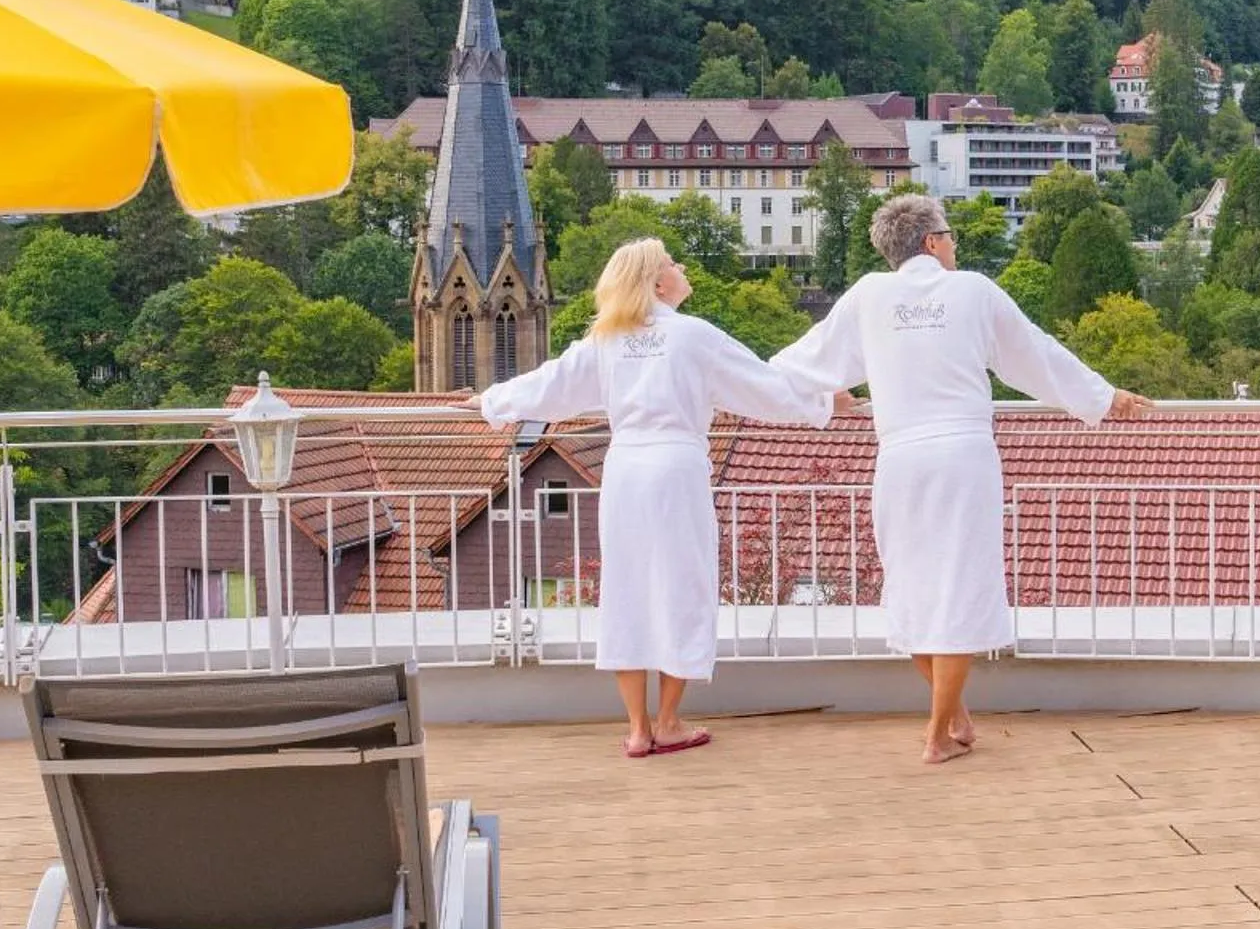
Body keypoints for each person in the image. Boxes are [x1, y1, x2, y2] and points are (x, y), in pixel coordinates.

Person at [772, 194, 1151, 764]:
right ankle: (934, 733)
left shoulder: (868, 297)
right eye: (948, 234)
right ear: (930, 241)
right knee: (960, 589)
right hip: (963, 458)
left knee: (913, 589)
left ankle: (954, 717)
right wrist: (1104, 397)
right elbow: (1035, 357)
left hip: (899, 459)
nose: (954, 243)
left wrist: (822, 399)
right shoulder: (972, 290)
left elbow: (794, 364)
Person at [473, 239, 837, 759]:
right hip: (677, 469)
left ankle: (637, 728)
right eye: (671, 263)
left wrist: (489, 401)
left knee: (628, 590)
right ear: (658, 283)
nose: (681, 267)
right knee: (681, 588)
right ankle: (668, 721)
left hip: (625, 471)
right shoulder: (693, 337)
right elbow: (763, 385)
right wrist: (824, 401)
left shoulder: (607, 339)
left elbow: (548, 385)